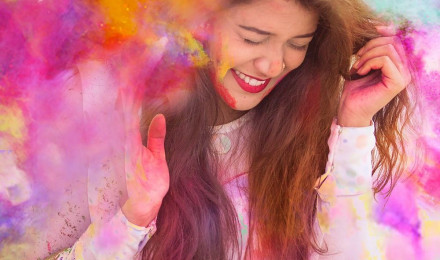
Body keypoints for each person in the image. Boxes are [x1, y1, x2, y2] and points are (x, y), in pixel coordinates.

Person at [52, 0, 413, 259]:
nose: (273, 64)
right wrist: (134, 218)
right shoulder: (102, 106)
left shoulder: (306, 120)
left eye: (297, 44)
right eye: (253, 38)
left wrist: (354, 126)